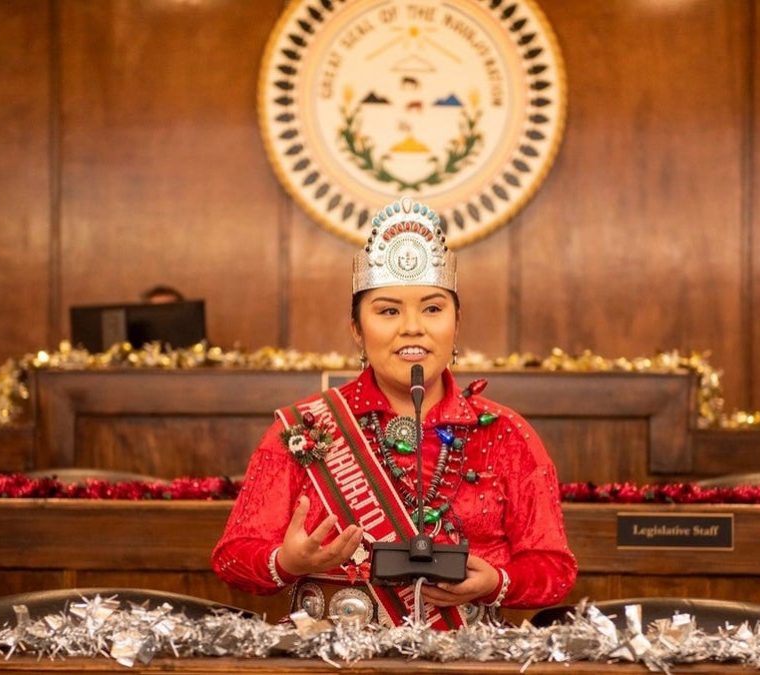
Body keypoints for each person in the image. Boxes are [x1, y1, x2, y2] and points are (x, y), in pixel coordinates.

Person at [212, 197, 576, 629]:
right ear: (357, 330)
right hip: (332, 658)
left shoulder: (505, 433)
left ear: (456, 324)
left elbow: (554, 568)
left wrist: (498, 581)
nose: (412, 327)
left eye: (433, 308)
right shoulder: (305, 428)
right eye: (388, 310)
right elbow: (233, 556)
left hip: (466, 659)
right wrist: (286, 562)